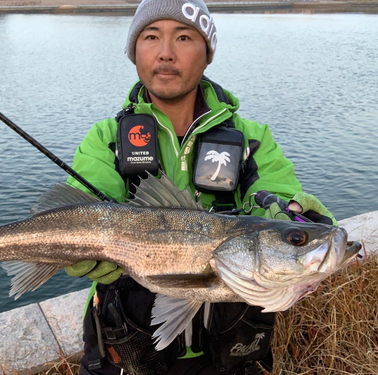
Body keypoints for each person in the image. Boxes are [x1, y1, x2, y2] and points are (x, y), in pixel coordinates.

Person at [64, 0, 337, 374]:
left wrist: (293, 216)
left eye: (184, 37)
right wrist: (78, 247)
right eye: (151, 36)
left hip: (229, 351)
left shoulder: (251, 139)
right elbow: (88, 202)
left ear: (207, 54)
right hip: (125, 351)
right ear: (134, 52)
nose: (165, 53)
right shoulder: (106, 139)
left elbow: (274, 192)